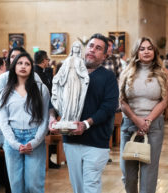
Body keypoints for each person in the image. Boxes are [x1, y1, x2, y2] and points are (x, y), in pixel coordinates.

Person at [49, 33, 119, 193]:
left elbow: (109, 107)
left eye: (98, 48)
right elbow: (54, 95)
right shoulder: (68, 69)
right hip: (71, 139)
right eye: (91, 46)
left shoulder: (108, 77)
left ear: (105, 55)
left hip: (96, 141)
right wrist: (52, 118)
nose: (93, 50)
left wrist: (86, 124)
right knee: (78, 187)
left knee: (91, 185)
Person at [119, 37, 168, 193]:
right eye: (142, 49)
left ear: (154, 51)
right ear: (137, 52)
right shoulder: (126, 71)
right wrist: (136, 120)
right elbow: (122, 101)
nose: (146, 51)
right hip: (129, 125)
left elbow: (164, 101)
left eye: (149, 48)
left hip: (153, 126)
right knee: (128, 175)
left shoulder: (163, 72)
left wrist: (147, 121)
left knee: (149, 173)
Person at [0, 52, 50, 193]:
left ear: (31, 68)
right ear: (14, 66)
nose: (23, 66)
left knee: (33, 185)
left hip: (34, 138)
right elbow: (3, 121)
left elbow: (45, 119)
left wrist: (34, 142)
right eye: (20, 63)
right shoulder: (5, 92)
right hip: (12, 139)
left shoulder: (41, 89)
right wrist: (15, 143)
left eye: (27, 64)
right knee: (16, 187)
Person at [51, 40, 89, 124]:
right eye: (74, 47)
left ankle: (73, 118)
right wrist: (56, 77)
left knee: (74, 99)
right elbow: (61, 71)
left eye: (78, 47)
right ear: (72, 48)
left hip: (76, 81)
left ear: (79, 49)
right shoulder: (67, 60)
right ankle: (65, 117)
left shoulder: (81, 61)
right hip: (67, 81)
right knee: (66, 99)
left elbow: (84, 71)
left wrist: (86, 77)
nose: (76, 48)